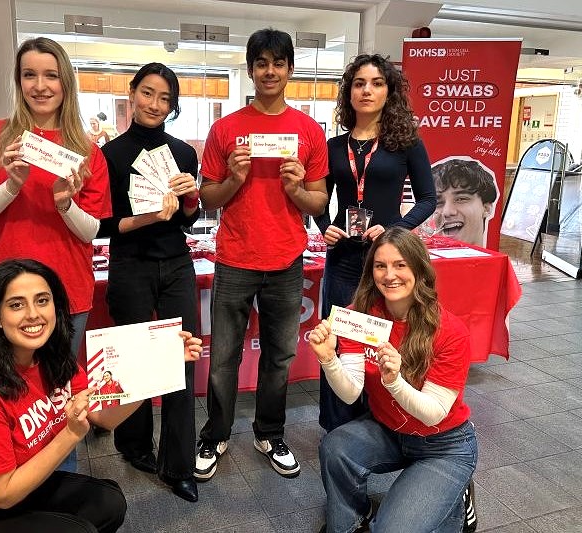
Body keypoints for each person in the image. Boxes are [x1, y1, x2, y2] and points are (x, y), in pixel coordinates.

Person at [0, 258, 202, 532]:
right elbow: (3, 494)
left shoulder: (52, 360)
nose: (33, 314)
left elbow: (103, 417)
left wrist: (157, 370)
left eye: (42, 300)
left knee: (109, 503)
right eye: (16, 305)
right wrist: (70, 435)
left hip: (19, 487)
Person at [195, 28, 328, 482]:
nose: (270, 71)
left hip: (287, 262)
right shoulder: (225, 129)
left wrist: (294, 188)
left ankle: (270, 432)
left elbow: (317, 202)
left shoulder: (309, 131)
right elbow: (207, 200)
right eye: (261, 63)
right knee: (224, 356)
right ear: (250, 70)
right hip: (234, 258)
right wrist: (233, 178)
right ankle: (215, 434)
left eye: (278, 63)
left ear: (289, 69)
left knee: (280, 357)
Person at [0, 36, 111, 364]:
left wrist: (65, 204)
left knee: (58, 392)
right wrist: (11, 186)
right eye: (29, 75)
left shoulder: (87, 150)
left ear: (65, 82)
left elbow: (90, 231)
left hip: (68, 290)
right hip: (8, 291)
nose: (40, 86)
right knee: (7, 388)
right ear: (18, 81)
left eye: (51, 75)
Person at [308, 227, 477, 533]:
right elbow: (350, 393)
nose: (390, 275)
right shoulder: (358, 317)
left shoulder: (449, 331)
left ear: (419, 269)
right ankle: (351, 524)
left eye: (400, 265)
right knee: (335, 447)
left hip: (443, 443)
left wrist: (394, 381)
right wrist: (328, 358)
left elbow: (433, 413)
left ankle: (457, 497)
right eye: (380, 266)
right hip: (389, 430)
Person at [312, 53, 435, 433]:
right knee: (338, 341)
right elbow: (317, 197)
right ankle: (336, 428)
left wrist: (394, 229)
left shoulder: (406, 143)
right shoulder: (333, 146)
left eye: (377, 83)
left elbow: (428, 199)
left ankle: (378, 424)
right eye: (359, 83)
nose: (367, 90)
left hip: (387, 262)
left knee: (380, 343)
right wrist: (322, 226)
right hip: (344, 258)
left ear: (389, 91)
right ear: (349, 92)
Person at [97, 62, 202, 502]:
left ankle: (179, 465)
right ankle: (135, 445)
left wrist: (191, 196)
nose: (155, 104)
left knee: (183, 358)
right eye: (148, 93)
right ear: (132, 93)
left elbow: (191, 219)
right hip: (130, 265)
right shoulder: (108, 155)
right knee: (134, 362)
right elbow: (101, 224)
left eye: (165, 98)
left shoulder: (183, 152)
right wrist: (144, 218)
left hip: (176, 262)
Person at [432, 157, 498, 247]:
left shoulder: (500, 261)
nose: (447, 212)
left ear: (486, 208)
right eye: (438, 202)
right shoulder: (412, 260)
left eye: (461, 199)